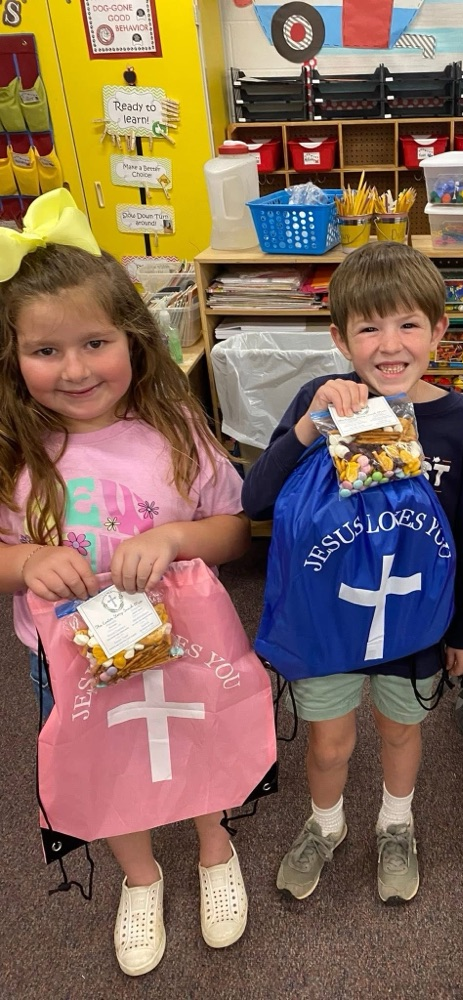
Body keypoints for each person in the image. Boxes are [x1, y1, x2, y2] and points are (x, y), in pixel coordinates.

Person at [0, 190, 252, 976]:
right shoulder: (12, 449)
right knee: (105, 757)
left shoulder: (176, 428)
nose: (75, 369)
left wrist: (173, 537)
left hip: (183, 638)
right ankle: (140, 877)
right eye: (46, 350)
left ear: (134, 340)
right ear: (11, 356)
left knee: (199, 734)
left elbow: (233, 529)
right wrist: (26, 561)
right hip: (68, 653)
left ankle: (215, 847)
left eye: (95, 342)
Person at [243, 240, 463, 904]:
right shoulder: (317, 401)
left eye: (408, 324)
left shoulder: (462, 422)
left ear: (439, 329)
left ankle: (396, 823)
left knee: (400, 730)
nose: (390, 345)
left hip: (414, 619)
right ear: (339, 337)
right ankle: (326, 824)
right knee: (328, 742)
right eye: (368, 328)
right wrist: (309, 427)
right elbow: (255, 500)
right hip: (329, 618)